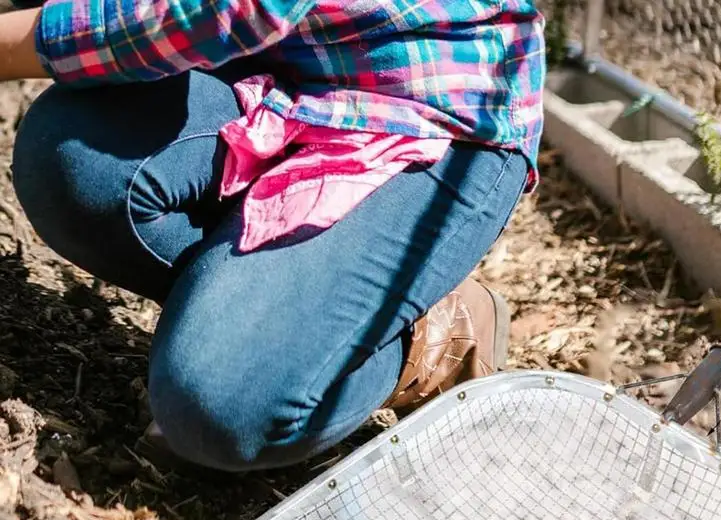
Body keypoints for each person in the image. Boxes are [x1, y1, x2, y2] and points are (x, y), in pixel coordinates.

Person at [1, 1, 545, 472]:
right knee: (73, 158)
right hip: (278, 71)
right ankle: (283, 319)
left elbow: (228, 11)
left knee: (222, 407)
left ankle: (422, 337)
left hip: (423, 106)